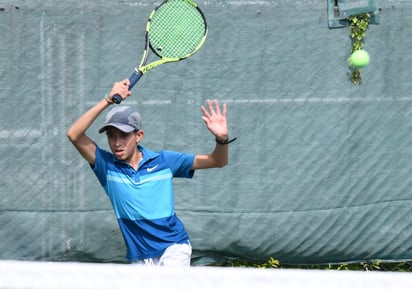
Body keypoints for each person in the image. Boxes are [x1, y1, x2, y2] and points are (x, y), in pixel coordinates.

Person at [66, 79, 235, 266]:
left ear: (139, 136)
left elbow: (218, 161)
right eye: (111, 136)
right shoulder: (106, 166)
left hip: (173, 247)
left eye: (124, 135)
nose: (117, 143)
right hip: (139, 255)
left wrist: (222, 139)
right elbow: (74, 134)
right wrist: (108, 100)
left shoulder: (164, 161)